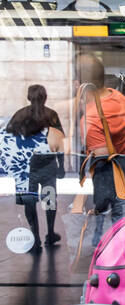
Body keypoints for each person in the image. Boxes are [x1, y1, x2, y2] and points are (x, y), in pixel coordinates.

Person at [77, 55, 125, 244]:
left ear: (78, 84)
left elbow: (102, 163)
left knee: (108, 250)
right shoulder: (118, 98)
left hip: (113, 201)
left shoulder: (91, 119)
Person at [0, 83, 65, 252]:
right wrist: (62, 166)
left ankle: (35, 238)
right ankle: (50, 234)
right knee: (49, 200)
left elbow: (8, 142)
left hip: (26, 168)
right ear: (45, 97)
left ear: (28, 97)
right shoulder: (52, 115)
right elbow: (59, 141)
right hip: (48, 165)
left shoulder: (19, 115)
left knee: (30, 201)